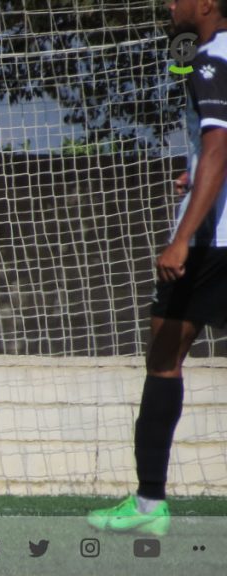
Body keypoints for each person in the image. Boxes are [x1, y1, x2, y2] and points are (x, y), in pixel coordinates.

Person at [88, 0, 227, 535]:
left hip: (213, 244)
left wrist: (182, 237)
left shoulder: (209, 61)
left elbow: (218, 146)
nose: (171, 3)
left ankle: (150, 507)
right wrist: (195, 177)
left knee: (164, 354)